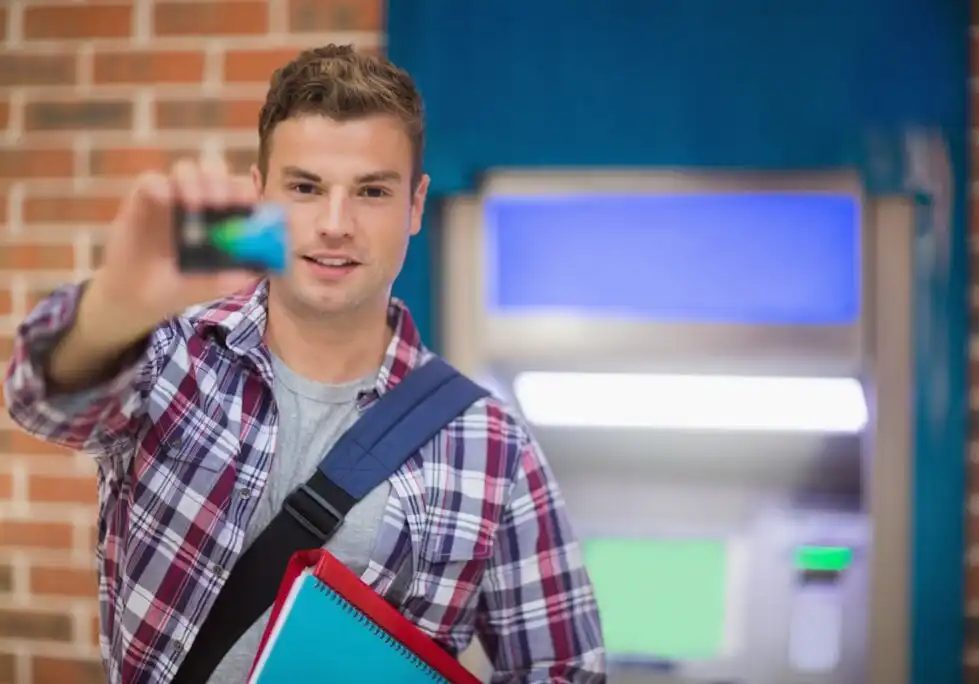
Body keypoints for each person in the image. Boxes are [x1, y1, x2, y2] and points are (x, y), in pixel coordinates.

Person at [3, 44, 606, 683]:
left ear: (416, 204)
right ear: (260, 194)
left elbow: (564, 668)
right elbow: (41, 401)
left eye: (372, 190)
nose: (335, 224)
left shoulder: (493, 445)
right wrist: (113, 307)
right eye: (305, 188)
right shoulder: (175, 357)